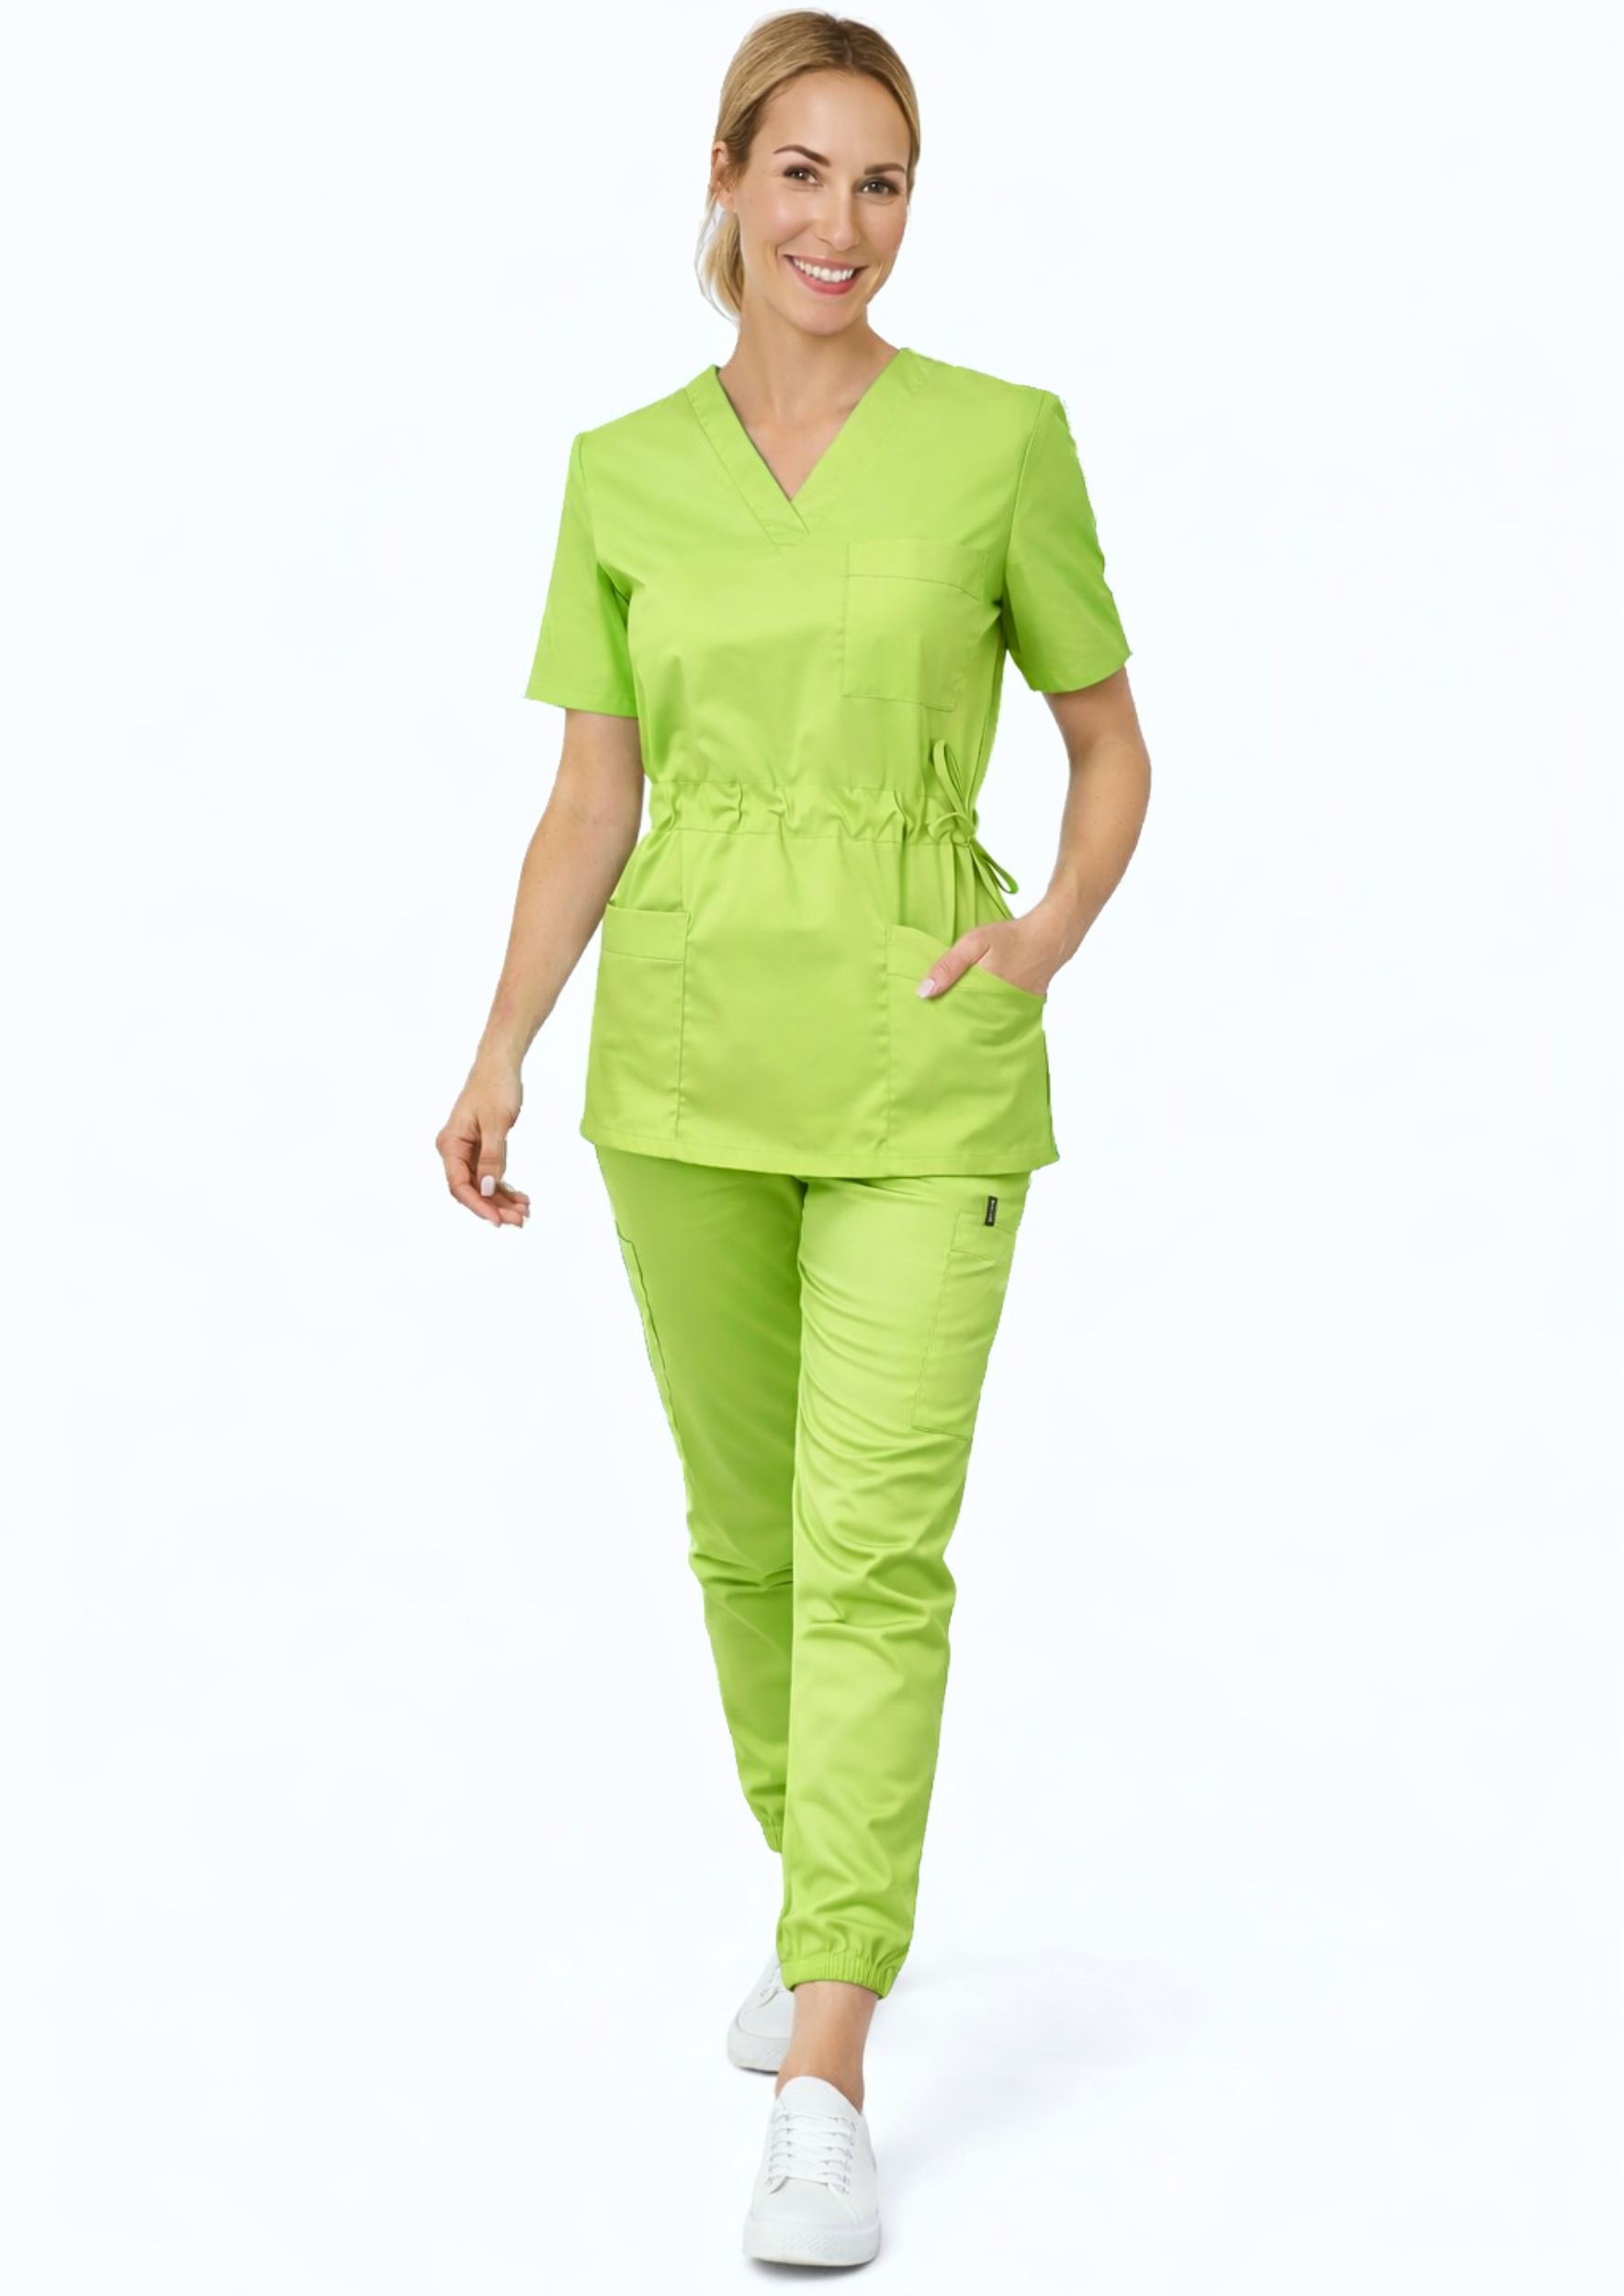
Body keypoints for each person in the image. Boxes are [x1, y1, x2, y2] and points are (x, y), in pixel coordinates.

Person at [436, 9, 1151, 2269]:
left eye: (884, 181)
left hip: (925, 1056)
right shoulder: (620, 470)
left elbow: (1109, 742)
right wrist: (500, 1043)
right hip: (681, 1070)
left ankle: (825, 2048)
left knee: (869, 1545)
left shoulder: (999, 441)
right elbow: (591, 795)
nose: (843, 223)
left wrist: (1042, 933)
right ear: (727, 183)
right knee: (745, 1543)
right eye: (805, 173)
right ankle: (821, 1884)